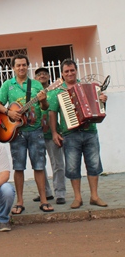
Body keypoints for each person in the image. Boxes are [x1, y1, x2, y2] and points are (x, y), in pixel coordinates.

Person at [0, 54, 54, 214]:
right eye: (18, 65)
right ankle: (20, 202)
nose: (21, 68)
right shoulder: (8, 85)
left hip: (35, 131)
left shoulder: (36, 85)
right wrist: (9, 113)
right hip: (17, 133)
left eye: (24, 65)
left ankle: (44, 200)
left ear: (28, 66)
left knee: (39, 166)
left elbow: (45, 107)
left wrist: (42, 100)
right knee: (18, 167)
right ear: (13, 68)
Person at [49, 59, 108, 209]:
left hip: (90, 131)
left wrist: (103, 100)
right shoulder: (58, 91)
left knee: (94, 164)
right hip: (70, 133)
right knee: (73, 167)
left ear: (76, 71)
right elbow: (52, 113)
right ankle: (77, 198)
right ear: (62, 73)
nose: (70, 73)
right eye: (66, 71)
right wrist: (54, 132)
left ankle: (94, 196)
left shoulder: (88, 87)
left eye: (72, 70)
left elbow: (99, 107)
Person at [34, 67, 66, 205]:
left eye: (44, 74)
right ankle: (46, 192)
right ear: (35, 78)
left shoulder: (56, 90)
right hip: (35, 133)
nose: (42, 76)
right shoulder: (32, 92)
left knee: (57, 164)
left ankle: (60, 193)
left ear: (49, 76)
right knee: (39, 165)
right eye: (39, 74)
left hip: (53, 133)